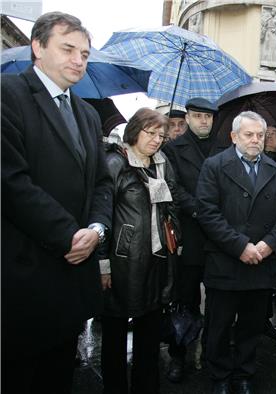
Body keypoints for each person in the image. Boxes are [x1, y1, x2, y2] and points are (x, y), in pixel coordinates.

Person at [1, 12, 113, 394]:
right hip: (24, 274)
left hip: (73, 279)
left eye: (84, 53)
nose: (79, 60)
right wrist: (69, 235)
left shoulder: (86, 113)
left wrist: (96, 230)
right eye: (68, 49)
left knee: (58, 376)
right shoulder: (8, 95)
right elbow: (11, 182)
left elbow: (102, 182)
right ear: (37, 46)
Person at [196, 111, 276, 394]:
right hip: (225, 262)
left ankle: (244, 375)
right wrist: (240, 246)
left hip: (261, 263)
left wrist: (269, 245)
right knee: (219, 326)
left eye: (260, 135)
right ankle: (220, 376)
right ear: (234, 137)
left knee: (251, 326)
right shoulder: (214, 166)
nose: (255, 140)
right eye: (249, 135)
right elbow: (207, 213)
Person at [98, 108, 178, 394]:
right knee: (115, 334)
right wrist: (103, 264)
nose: (157, 140)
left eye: (161, 135)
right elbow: (102, 216)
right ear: (135, 130)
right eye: (150, 132)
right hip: (122, 262)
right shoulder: (115, 163)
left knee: (149, 333)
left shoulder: (161, 162)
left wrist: (174, 236)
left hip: (156, 259)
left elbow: (172, 204)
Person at [162, 97, 218, 383]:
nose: (204, 121)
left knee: (219, 299)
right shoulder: (172, 149)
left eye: (208, 116)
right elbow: (172, 186)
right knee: (184, 299)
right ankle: (178, 354)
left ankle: (213, 353)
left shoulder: (225, 147)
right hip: (189, 234)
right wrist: (197, 208)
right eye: (197, 116)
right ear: (188, 118)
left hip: (218, 237)